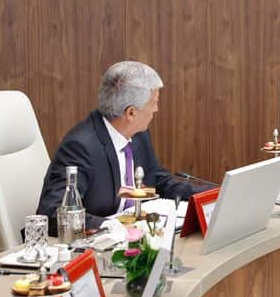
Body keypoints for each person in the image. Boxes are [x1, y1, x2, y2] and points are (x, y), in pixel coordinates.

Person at [37, 61, 196, 226]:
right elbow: (53, 212)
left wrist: (208, 195)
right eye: (154, 102)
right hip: (101, 238)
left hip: (139, 232)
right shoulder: (80, 147)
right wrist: (112, 227)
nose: (156, 109)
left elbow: (158, 180)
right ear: (131, 113)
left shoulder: (138, 134)